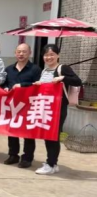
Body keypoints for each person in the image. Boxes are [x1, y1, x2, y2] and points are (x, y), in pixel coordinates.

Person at [34, 44, 82, 175]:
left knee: (53, 136)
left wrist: (63, 78)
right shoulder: (45, 70)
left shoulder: (63, 68)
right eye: (46, 55)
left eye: (51, 54)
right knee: (48, 135)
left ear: (58, 55)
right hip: (46, 107)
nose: (48, 57)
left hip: (58, 108)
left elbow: (78, 81)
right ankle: (52, 163)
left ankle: (51, 164)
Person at [3, 43, 42, 169]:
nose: (21, 54)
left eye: (24, 52)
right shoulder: (9, 69)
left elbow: (39, 85)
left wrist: (23, 85)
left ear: (30, 53)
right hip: (13, 105)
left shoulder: (35, 69)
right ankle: (13, 155)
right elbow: (4, 83)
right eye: (19, 51)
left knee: (28, 132)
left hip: (29, 105)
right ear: (15, 53)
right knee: (12, 130)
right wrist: (5, 88)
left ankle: (27, 158)